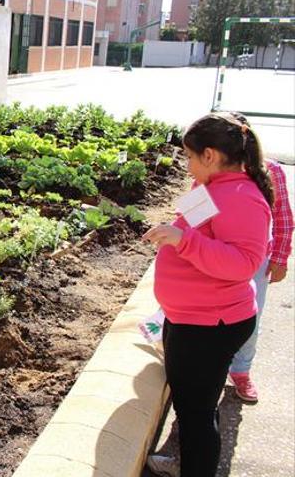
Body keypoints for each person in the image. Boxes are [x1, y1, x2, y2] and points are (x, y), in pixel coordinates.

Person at [143, 112, 273, 477]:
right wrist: (173, 233)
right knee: (196, 408)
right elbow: (193, 228)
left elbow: (244, 263)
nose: (186, 166)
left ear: (211, 155)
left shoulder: (241, 196)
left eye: (189, 157)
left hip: (210, 325)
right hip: (193, 319)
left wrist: (183, 241)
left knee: (197, 418)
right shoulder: (213, 188)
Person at [226, 113, 293, 402]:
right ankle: (213, 370)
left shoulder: (271, 171)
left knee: (250, 316)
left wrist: (279, 257)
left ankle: (241, 371)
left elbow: (283, 218)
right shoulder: (213, 174)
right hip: (215, 259)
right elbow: (189, 215)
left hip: (255, 264)